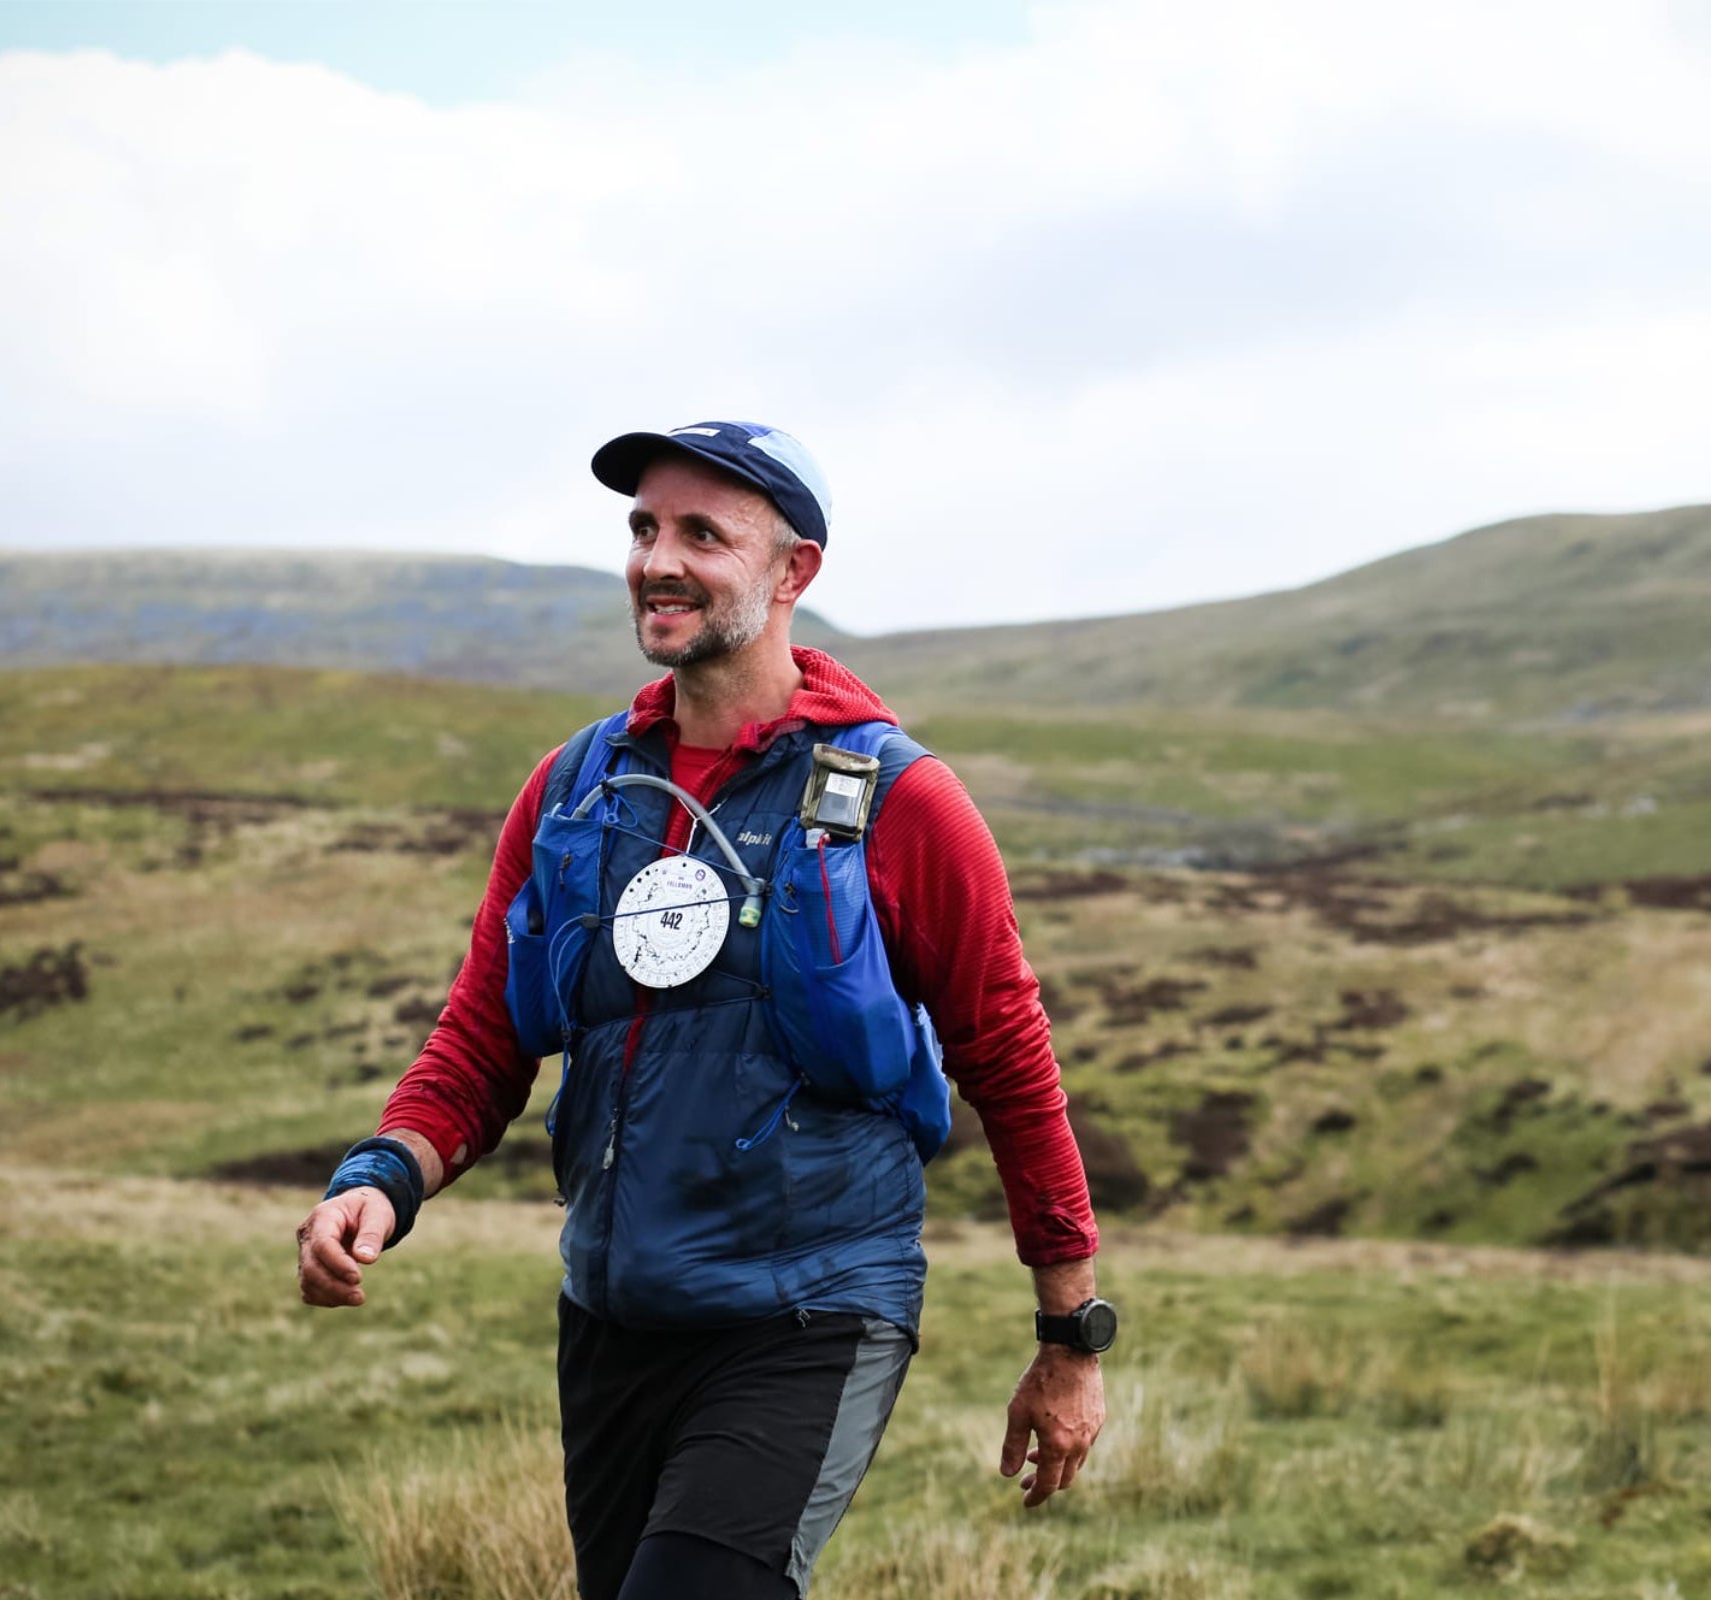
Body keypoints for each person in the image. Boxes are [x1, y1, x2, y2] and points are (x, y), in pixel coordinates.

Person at [293, 421, 1112, 1600]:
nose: (655, 559)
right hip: (613, 1318)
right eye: (641, 529)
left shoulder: (903, 803)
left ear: (795, 572)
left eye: (700, 534)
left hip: (810, 1311)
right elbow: (484, 1036)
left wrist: (1069, 1339)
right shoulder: (577, 789)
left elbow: (1012, 1067)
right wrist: (381, 1178)